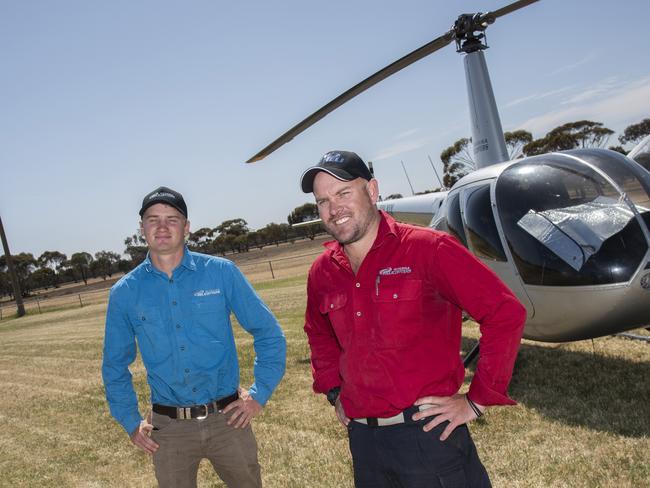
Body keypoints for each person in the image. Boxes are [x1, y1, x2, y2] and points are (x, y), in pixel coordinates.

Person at [301, 151, 527, 487]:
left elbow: (505, 313)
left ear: (372, 190)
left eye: (344, 193)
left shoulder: (428, 249)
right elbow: (319, 335)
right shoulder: (322, 272)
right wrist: (335, 391)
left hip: (428, 436)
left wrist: (476, 401)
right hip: (365, 443)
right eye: (323, 201)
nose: (334, 209)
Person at [102, 186, 286, 488]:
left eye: (172, 219)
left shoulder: (221, 273)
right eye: (153, 219)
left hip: (228, 419)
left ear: (186, 227)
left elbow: (268, 333)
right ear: (142, 228)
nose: (162, 227)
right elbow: (114, 365)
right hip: (168, 429)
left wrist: (259, 393)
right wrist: (130, 421)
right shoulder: (125, 292)